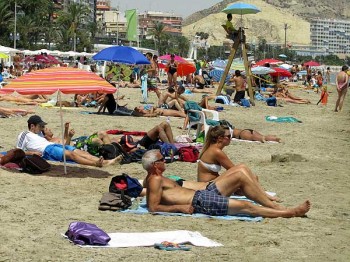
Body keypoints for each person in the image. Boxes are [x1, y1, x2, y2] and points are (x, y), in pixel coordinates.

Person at [142, 149, 311, 218]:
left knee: (244, 200)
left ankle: (279, 209)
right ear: (155, 165)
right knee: (247, 207)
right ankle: (289, 213)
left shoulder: (156, 179)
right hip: (200, 201)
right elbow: (153, 207)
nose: (165, 160)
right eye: (162, 159)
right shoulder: (155, 179)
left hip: (201, 196)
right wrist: (179, 208)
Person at [16, 115, 121, 167]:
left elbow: (64, 141)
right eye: (41, 126)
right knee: (71, 155)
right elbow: (17, 151)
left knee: (81, 152)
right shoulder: (24, 134)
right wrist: (30, 153)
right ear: (32, 126)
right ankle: (95, 164)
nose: (43, 128)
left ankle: (107, 162)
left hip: (52, 145)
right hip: (47, 150)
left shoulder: (39, 134)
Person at [198, 125, 280, 183]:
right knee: (245, 176)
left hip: (212, 182)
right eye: (229, 136)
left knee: (244, 170)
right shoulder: (216, 151)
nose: (231, 138)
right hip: (207, 186)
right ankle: (263, 195)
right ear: (220, 138)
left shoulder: (212, 149)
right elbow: (232, 169)